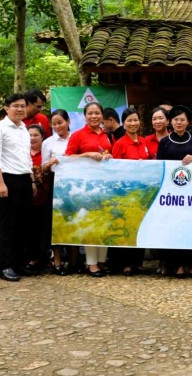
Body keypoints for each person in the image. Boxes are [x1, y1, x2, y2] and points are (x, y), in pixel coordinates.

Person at [0, 93, 34, 282]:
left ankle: (20, 263)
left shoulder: (24, 128)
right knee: (8, 224)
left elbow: (26, 157)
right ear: (7, 108)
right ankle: (5, 266)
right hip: (7, 179)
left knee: (23, 224)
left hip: (24, 178)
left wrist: (31, 180)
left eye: (23, 106)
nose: (20, 109)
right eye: (16, 106)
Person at [64, 101, 113, 277]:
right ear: (85, 116)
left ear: (102, 116)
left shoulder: (107, 135)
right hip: (86, 187)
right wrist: (87, 155)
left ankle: (102, 261)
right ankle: (91, 264)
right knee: (92, 223)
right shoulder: (78, 135)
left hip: (105, 185)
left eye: (97, 113)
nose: (94, 116)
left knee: (104, 223)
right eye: (90, 113)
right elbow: (67, 159)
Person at [156, 105, 192, 278]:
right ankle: (176, 265)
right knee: (174, 228)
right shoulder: (165, 142)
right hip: (171, 195)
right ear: (170, 122)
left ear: (188, 122)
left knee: (191, 228)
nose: (179, 122)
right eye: (175, 119)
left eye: (182, 119)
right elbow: (159, 167)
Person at [110, 107, 151, 276]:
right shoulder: (120, 143)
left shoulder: (144, 141)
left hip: (143, 192)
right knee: (126, 225)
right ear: (123, 123)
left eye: (135, 120)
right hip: (126, 193)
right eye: (129, 121)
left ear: (139, 122)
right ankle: (126, 263)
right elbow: (115, 169)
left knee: (140, 226)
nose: (133, 123)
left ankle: (138, 262)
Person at [41, 109, 72, 275]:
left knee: (73, 218)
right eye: (54, 124)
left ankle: (74, 260)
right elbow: (43, 168)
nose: (57, 126)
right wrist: (49, 163)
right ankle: (57, 260)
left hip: (74, 184)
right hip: (56, 183)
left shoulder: (76, 138)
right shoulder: (48, 142)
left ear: (68, 122)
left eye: (60, 122)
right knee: (56, 222)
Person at [26, 125, 49, 273]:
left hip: (46, 197)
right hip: (27, 199)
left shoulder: (46, 154)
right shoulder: (24, 154)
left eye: (36, 135)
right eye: (30, 135)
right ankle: (30, 258)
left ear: (42, 137)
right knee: (29, 230)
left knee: (44, 230)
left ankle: (43, 258)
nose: (32, 138)